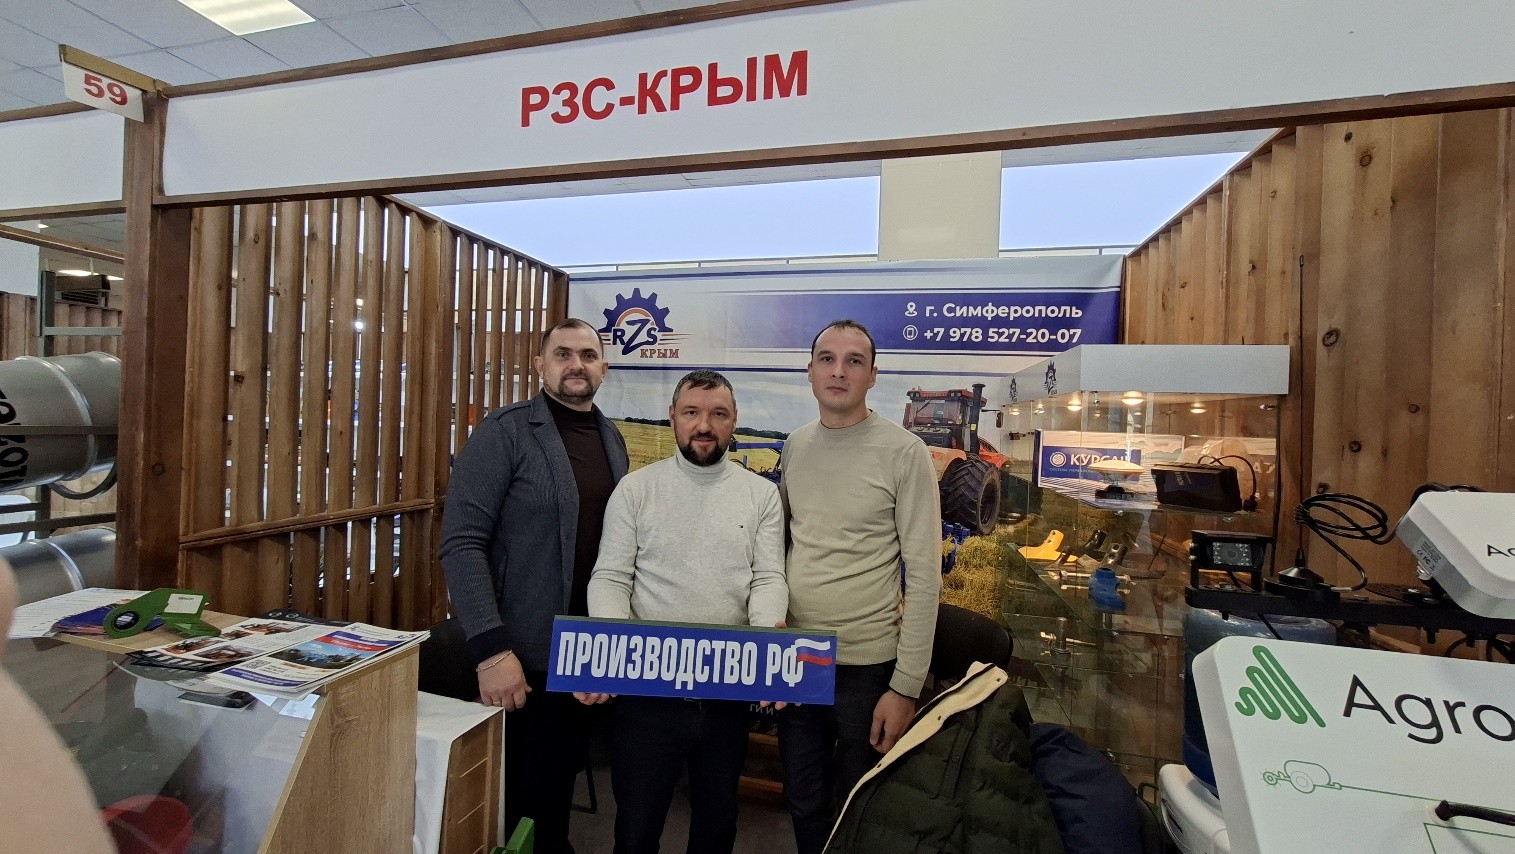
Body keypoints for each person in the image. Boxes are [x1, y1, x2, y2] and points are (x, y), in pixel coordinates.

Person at [440, 317, 629, 854]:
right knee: (519, 800)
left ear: (603, 368)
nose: (576, 365)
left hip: (583, 651)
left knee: (558, 787)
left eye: (587, 355)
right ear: (540, 365)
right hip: (520, 657)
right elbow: (461, 543)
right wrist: (491, 650)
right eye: (563, 354)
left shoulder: (612, 439)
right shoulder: (504, 432)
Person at [582, 369, 787, 854]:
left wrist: (768, 647)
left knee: (717, 825)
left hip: (726, 694)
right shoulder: (636, 490)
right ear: (673, 416)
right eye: (692, 412)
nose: (704, 426)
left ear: (734, 420)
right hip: (646, 696)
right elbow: (610, 577)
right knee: (636, 829)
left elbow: (767, 578)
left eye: (718, 414)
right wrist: (611, 653)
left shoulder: (761, 496)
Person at [778, 319, 942, 854]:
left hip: (867, 669)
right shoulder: (796, 446)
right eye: (827, 359)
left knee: (860, 807)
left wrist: (905, 687)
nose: (839, 371)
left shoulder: (905, 452)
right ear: (810, 371)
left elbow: (924, 576)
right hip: (800, 658)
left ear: (873, 376)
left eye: (854, 361)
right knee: (803, 800)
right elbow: (783, 547)